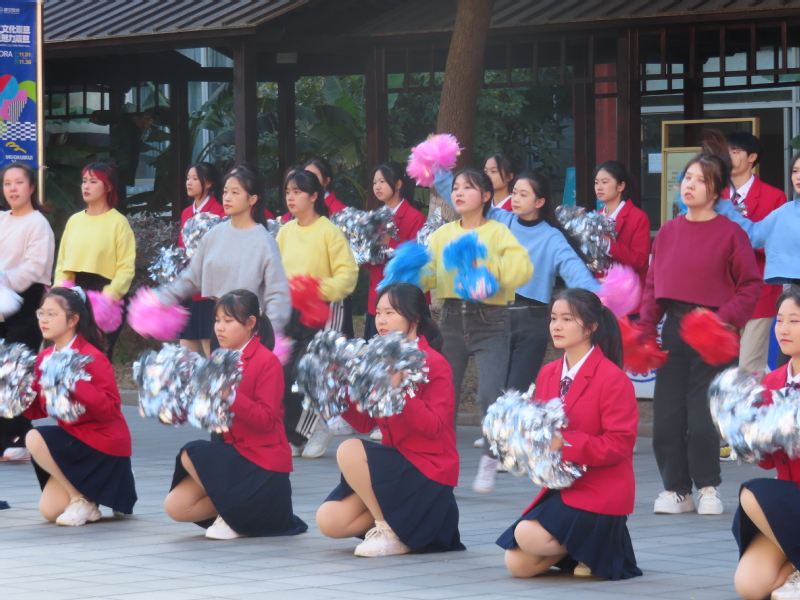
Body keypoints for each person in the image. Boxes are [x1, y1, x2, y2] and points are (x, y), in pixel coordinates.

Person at [639, 132, 762, 516]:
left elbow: (751, 284)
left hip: (714, 334)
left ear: (717, 191)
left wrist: (723, 321)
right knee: (668, 416)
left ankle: (708, 486)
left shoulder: (731, 233)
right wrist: (644, 330)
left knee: (703, 415)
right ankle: (677, 489)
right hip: (674, 329)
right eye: (687, 178)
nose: (689, 185)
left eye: (699, 180)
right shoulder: (669, 231)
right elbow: (652, 284)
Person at [496, 288, 641, 581]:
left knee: (527, 534)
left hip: (601, 488)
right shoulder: (549, 372)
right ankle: (588, 548)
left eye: (566, 319)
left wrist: (565, 443)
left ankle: (597, 541)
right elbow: (542, 429)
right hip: (563, 485)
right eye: (553, 318)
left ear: (591, 327)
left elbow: (620, 444)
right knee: (517, 565)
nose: (556, 326)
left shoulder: (613, 378)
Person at [316, 283, 464, 557]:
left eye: (390, 312)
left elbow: (434, 428)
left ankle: (389, 530)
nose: (381, 320)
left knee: (349, 449)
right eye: (379, 312)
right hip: (395, 464)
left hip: (426, 470)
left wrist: (398, 392)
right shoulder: (378, 360)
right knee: (330, 521)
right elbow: (363, 423)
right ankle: (398, 526)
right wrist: (336, 388)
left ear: (414, 318)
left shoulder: (433, 362)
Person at [164, 290, 308, 540]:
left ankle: (235, 515)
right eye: (217, 320)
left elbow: (266, 421)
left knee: (192, 452)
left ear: (251, 323)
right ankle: (241, 511)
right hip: (234, 453)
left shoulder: (267, 361)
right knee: (176, 506)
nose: (220, 328)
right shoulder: (218, 357)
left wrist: (230, 396)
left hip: (262, 460)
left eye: (228, 321)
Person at [426, 168, 532, 492]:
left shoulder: (499, 233)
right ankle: (438, 461)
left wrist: (487, 274)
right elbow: (427, 275)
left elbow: (522, 268)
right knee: (445, 397)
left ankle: (491, 456)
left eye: (468, 188)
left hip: (492, 321)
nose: (458, 193)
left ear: (486, 196)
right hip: (451, 321)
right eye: (455, 187)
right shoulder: (442, 235)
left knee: (490, 395)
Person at [22, 286, 137, 526]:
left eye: (52, 314)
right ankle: (86, 496)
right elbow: (38, 410)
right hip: (73, 437)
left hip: (102, 439)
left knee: (34, 437)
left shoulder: (92, 356)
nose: (44, 319)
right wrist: (15, 392)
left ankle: (81, 498)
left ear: (73, 319)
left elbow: (109, 410)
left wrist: (73, 382)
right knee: (49, 511)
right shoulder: (45, 357)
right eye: (42, 312)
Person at [276, 170, 358, 459]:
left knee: (308, 372)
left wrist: (316, 289)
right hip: (291, 313)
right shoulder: (285, 231)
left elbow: (348, 276)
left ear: (314, 196)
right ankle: (296, 435)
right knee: (285, 373)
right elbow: (275, 273)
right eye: (288, 191)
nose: (291, 197)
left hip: (323, 313)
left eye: (297, 192)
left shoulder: (328, 231)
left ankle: (317, 428)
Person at [159, 167, 291, 336]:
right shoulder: (213, 235)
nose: (227, 198)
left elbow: (278, 296)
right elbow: (192, 276)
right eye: (226, 192)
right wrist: (163, 298)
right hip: (219, 328)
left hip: (251, 331)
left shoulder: (265, 242)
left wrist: (270, 333)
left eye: (235, 193)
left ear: (252, 199)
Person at [731, 285, 800, 600]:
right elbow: (769, 462)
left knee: (753, 492)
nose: (783, 329)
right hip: (789, 499)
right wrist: (750, 435)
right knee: (751, 586)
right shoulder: (772, 382)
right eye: (779, 320)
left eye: (794, 321)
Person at [0, 163, 55, 462]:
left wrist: (4, 280)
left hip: (26, 301)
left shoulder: (37, 224)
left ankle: (18, 436)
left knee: (15, 372)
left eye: (18, 182)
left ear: (31, 187)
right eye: (7, 183)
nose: (12, 189)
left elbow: (35, 267)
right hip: (1, 298)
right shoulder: (1, 220)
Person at [54, 162, 135, 360]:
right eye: (84, 181)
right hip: (75, 298)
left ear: (108, 187)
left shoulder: (119, 222)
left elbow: (126, 268)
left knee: (98, 360)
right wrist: (59, 294)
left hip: (106, 300)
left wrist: (109, 298)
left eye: (93, 181)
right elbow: (63, 263)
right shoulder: (74, 220)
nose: (86, 186)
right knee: (72, 360)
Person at [364, 162, 427, 341]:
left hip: (404, 300)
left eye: (382, 181)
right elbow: (367, 261)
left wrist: (386, 244)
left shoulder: (416, 217)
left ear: (398, 184)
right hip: (377, 298)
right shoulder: (373, 218)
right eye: (375, 182)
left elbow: (416, 259)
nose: (377, 186)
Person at [178, 162, 226, 357]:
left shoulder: (220, 211)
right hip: (189, 288)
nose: (189, 183)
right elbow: (181, 247)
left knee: (211, 350)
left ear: (208, 183)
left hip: (209, 291)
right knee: (185, 352)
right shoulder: (186, 213)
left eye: (195, 179)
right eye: (188, 178)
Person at [302, 156, 354, 338]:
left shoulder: (340, 212)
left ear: (326, 181)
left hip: (331, 292)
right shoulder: (299, 213)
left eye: (315, 177)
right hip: (305, 292)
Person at [594, 161, 651, 308]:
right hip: (600, 298)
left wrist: (609, 245)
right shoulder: (594, 218)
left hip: (628, 300)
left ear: (621, 186)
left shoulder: (638, 217)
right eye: (596, 182)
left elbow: (640, 261)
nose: (599, 187)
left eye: (605, 182)